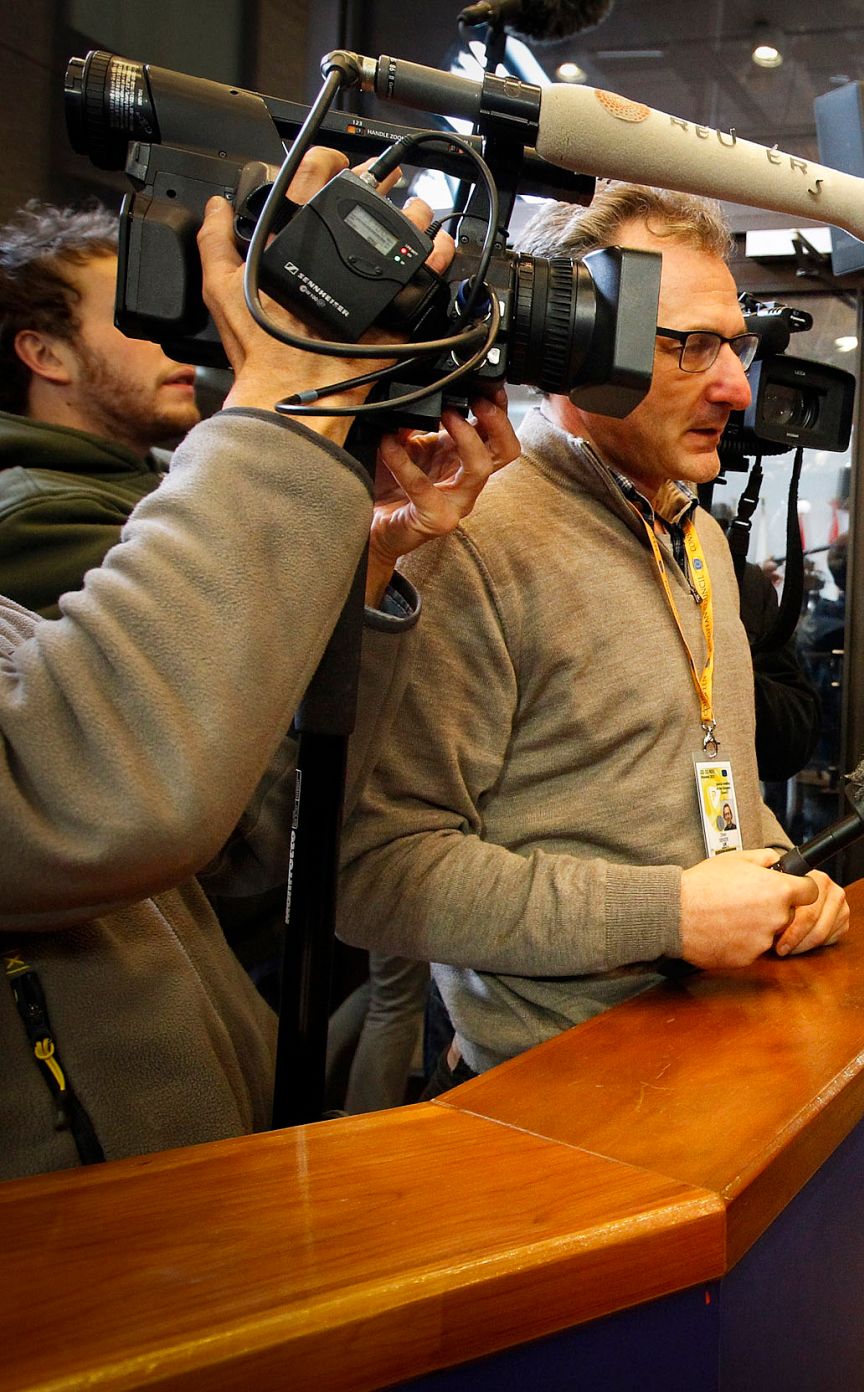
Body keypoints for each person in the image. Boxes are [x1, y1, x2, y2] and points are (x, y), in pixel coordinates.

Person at [0, 150, 516, 1180]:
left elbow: (246, 843)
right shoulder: (33, 518)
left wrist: (368, 555)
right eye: (143, 302)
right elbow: (103, 795)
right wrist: (288, 396)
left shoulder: (195, 495)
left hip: (178, 1185)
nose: (197, 326)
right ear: (41, 355)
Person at [341, 184, 850, 1091]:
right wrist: (670, 915)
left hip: (717, 1053)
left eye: (736, 345)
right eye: (691, 346)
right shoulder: (469, 532)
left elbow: (702, 774)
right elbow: (380, 874)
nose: (737, 385)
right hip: (555, 1097)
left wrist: (785, 870)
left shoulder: (691, 531)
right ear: (577, 347)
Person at [0, 202, 202, 618]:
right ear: (46, 354)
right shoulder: (37, 517)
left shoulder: (168, 469)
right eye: (138, 317)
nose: (177, 338)